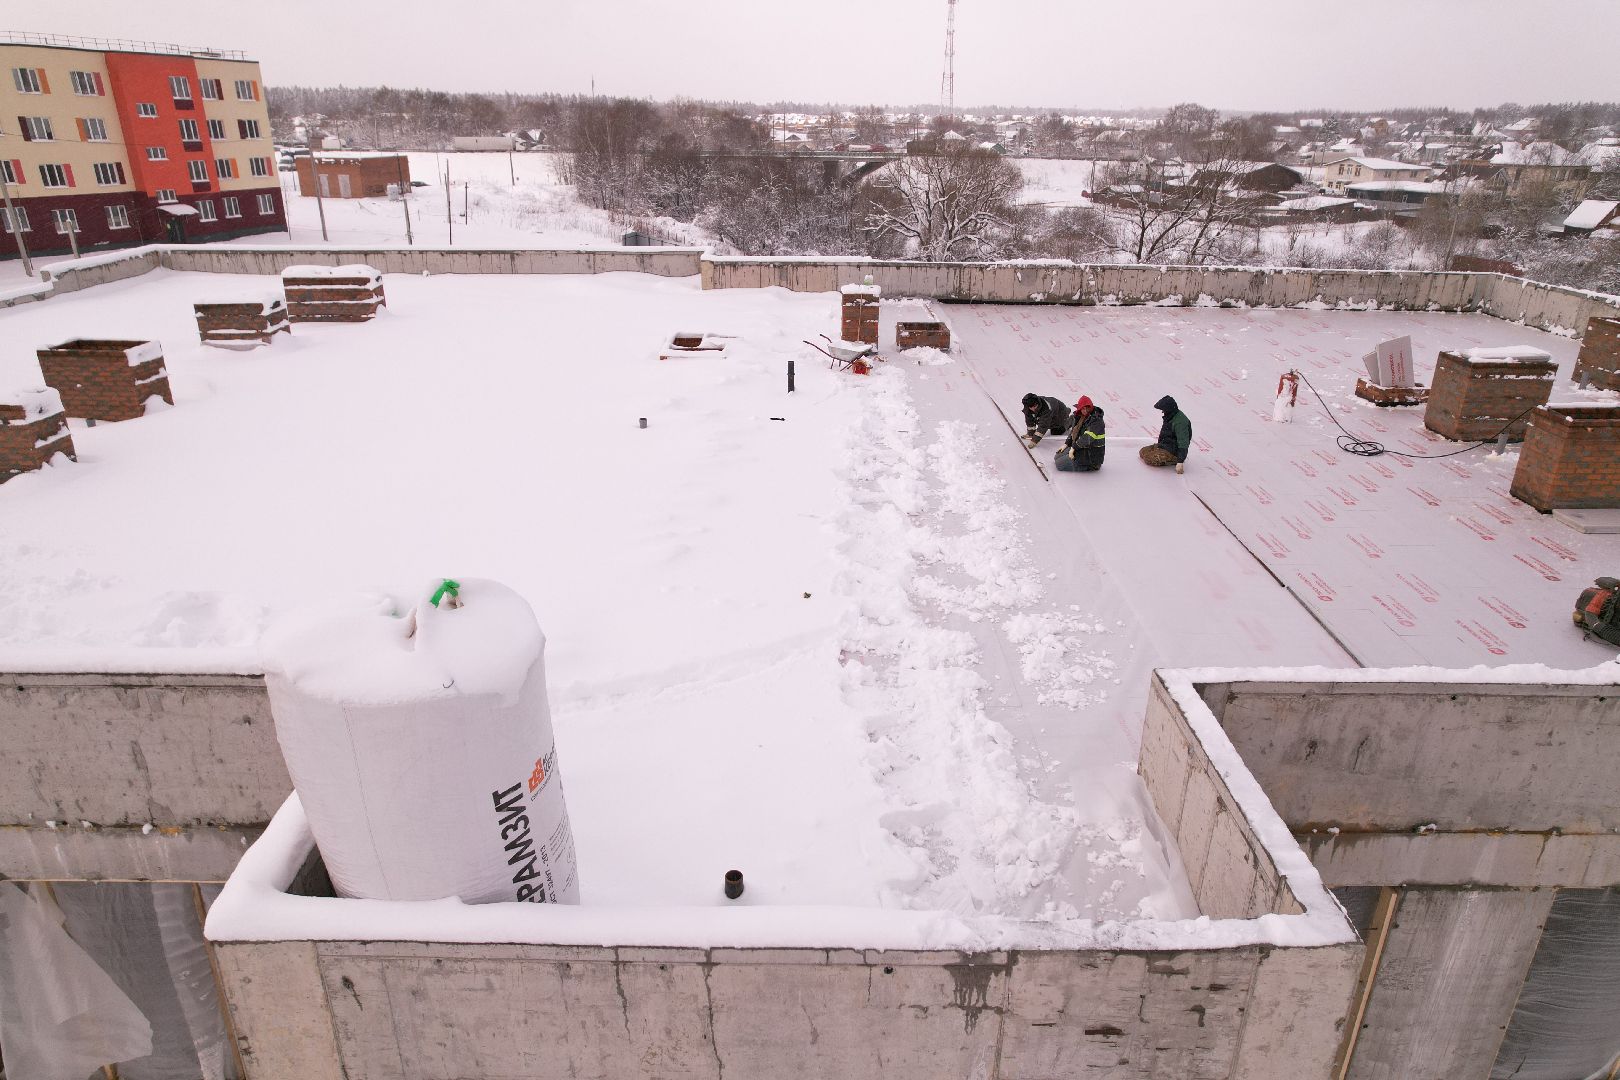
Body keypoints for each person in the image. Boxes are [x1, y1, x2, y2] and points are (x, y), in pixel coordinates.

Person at [1139, 395, 1192, 473]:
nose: (1162, 412)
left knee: (1148, 458)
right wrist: (1159, 446)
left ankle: (1173, 460)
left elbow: (1183, 443)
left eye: (1163, 410)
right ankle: (1163, 453)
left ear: (1168, 409)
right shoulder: (1170, 415)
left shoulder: (1180, 422)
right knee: (1142, 451)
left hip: (1174, 451)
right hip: (1165, 445)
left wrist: (1180, 461)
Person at [1055, 396, 1105, 472]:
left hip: (1091, 454)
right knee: (1057, 456)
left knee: (1059, 465)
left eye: (1086, 408)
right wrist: (1067, 444)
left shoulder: (1097, 420)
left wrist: (1074, 448)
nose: (1084, 411)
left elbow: (1087, 438)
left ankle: (1092, 466)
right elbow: (1073, 432)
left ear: (1090, 407)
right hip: (1081, 448)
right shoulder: (1081, 417)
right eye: (1082, 408)